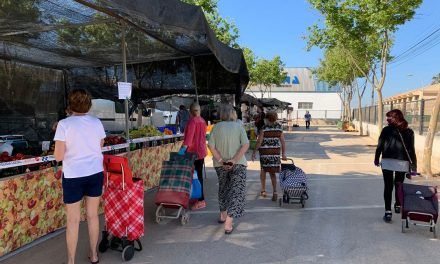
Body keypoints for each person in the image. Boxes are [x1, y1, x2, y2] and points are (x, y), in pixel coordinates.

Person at [54, 89, 106, 264]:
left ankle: (71, 261)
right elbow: (100, 144)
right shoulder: (96, 122)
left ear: (70, 105)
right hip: (95, 173)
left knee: (73, 220)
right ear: (89, 105)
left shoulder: (63, 124)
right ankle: (94, 255)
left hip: (74, 176)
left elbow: (59, 156)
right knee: (92, 216)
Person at [208, 104, 249, 234]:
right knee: (237, 191)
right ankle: (229, 223)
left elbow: (211, 145)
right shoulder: (239, 126)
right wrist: (234, 160)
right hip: (238, 164)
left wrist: (221, 160)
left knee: (223, 187)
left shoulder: (216, 127)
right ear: (233, 114)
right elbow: (246, 144)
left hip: (220, 165)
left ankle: (223, 215)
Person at [374, 109, 417, 223]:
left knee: (388, 186)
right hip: (402, 164)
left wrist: (376, 158)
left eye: (389, 117)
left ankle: (388, 212)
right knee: (399, 185)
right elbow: (411, 150)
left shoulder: (386, 130)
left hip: (388, 162)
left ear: (396, 118)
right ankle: (397, 205)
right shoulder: (409, 131)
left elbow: (380, 145)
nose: (387, 119)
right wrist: (413, 166)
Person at [252, 111, 287, 201]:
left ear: (266, 119)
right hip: (275, 153)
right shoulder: (279, 127)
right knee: (272, 172)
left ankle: (263, 190)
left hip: (264, 153)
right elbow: (282, 141)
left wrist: (254, 152)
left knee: (263, 170)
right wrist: (283, 153)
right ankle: (275, 191)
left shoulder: (264, 128)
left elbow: (259, 141)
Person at [180, 102, 208, 210]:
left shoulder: (192, 121)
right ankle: (197, 197)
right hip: (201, 152)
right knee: (198, 175)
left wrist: (181, 152)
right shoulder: (202, 121)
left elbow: (188, 140)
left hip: (192, 153)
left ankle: (201, 200)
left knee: (194, 176)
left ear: (190, 111)